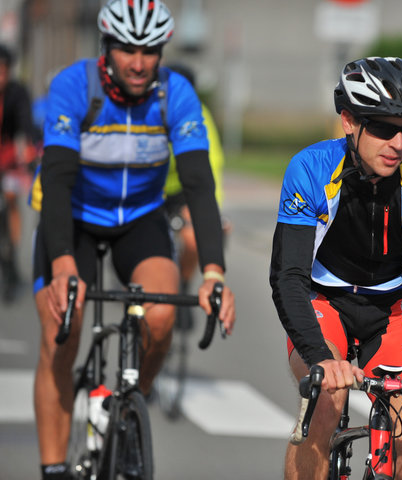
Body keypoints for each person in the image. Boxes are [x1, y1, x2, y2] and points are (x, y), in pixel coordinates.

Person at [32, 1, 235, 479]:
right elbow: (57, 181)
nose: (140, 63)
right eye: (128, 50)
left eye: (150, 51)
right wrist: (62, 266)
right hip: (75, 218)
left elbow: (199, 186)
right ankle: (52, 467)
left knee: (161, 314)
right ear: (107, 47)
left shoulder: (174, 93)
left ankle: (128, 405)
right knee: (64, 326)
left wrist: (213, 272)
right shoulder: (73, 86)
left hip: (138, 219)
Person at [269, 56, 402, 480]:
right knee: (327, 402)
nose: (398, 143)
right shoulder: (311, 169)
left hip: (390, 310)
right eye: (385, 128)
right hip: (322, 302)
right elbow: (287, 277)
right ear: (349, 120)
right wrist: (319, 357)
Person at [162, 62, 228, 300]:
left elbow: (212, 166)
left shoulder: (198, 115)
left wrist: (214, 213)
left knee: (191, 238)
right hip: (152, 189)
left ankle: (183, 280)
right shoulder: (149, 108)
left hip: (182, 190)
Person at [0, 43, 37, 302]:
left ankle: (12, 250)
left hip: (8, 156)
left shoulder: (17, 93)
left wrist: (31, 151)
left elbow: (26, 124)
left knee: (11, 196)